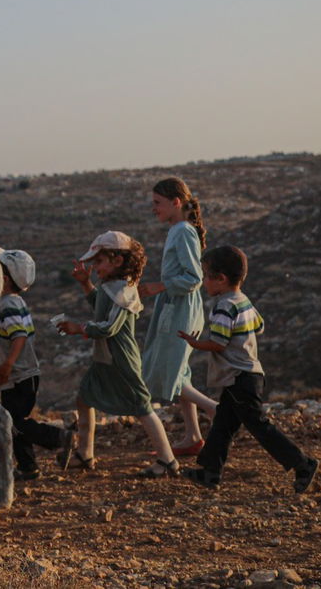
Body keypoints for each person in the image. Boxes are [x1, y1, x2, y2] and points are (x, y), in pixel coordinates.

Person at [178, 246, 320, 492]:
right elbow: (260, 326)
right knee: (223, 424)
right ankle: (210, 472)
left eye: (206, 275)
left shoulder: (223, 306)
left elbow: (218, 344)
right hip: (249, 375)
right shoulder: (243, 300)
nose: (204, 282)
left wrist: (194, 342)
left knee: (259, 426)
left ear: (220, 279)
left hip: (238, 377)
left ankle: (302, 463)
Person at [56, 231, 179, 478]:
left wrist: (79, 328)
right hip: (105, 358)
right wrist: (85, 283)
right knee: (85, 399)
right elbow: (100, 306)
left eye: (98, 262)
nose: (95, 267)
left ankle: (167, 461)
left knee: (142, 406)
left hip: (120, 359)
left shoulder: (124, 290)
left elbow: (109, 327)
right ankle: (84, 454)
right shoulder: (111, 287)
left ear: (118, 261)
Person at [140, 177, 217, 457]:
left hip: (180, 310)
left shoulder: (183, 231)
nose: (154, 209)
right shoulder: (177, 229)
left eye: (157, 203)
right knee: (180, 370)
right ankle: (193, 437)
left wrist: (160, 286)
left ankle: (213, 410)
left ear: (176, 202)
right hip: (174, 307)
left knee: (167, 371)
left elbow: (194, 278)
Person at [0, 246, 70, 480]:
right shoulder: (11, 302)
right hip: (18, 375)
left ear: (3, 279)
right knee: (14, 423)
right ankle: (27, 467)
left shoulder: (8, 305)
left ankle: (58, 438)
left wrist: (7, 364)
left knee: (14, 422)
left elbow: (19, 336)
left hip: (19, 375)